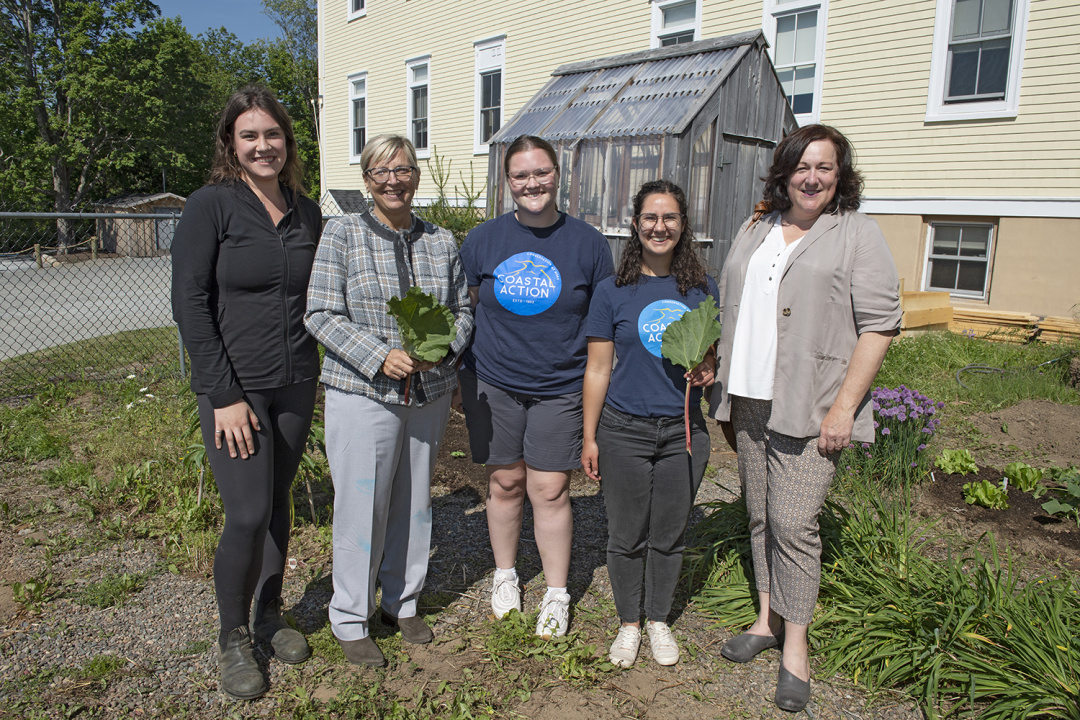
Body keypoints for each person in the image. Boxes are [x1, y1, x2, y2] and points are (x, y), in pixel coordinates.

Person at [710, 124, 901, 712]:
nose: (812, 177)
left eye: (825, 167)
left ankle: (797, 647)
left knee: (795, 525)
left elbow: (880, 323)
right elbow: (733, 304)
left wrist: (844, 408)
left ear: (840, 175)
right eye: (802, 166)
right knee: (762, 514)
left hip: (811, 402)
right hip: (750, 396)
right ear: (784, 172)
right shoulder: (757, 226)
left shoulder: (857, 234)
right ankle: (767, 620)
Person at [171, 86, 321, 700]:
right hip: (236, 387)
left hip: (297, 380)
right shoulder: (212, 206)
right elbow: (190, 303)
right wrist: (223, 392)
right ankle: (233, 635)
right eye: (250, 136)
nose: (264, 146)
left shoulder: (307, 211)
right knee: (248, 511)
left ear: (288, 140)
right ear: (231, 145)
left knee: (279, 499)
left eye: (273, 134)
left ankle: (269, 612)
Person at [304, 134, 473, 667]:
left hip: (427, 393)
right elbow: (320, 314)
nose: (393, 180)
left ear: (416, 176)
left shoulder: (441, 241)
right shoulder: (342, 235)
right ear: (366, 181)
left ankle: (401, 601)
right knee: (363, 503)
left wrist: (441, 351)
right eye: (381, 171)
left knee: (414, 502)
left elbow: (463, 312)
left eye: (402, 169)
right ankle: (350, 615)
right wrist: (379, 355)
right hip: (362, 391)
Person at [458, 135, 614, 638]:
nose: (532, 183)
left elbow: (602, 323)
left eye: (541, 172)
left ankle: (556, 592)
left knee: (549, 488)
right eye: (521, 176)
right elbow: (465, 303)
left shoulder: (587, 244)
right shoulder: (484, 239)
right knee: (504, 483)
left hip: (561, 385)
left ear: (557, 174)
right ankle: (505, 576)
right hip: (496, 380)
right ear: (508, 182)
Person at [581, 180, 718, 668]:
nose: (660, 227)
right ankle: (629, 624)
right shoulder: (612, 292)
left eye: (670, 218)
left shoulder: (702, 289)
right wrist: (591, 436)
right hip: (624, 429)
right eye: (650, 218)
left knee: (669, 533)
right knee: (625, 534)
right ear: (635, 225)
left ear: (683, 226)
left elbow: (710, 361)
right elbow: (597, 369)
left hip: (683, 432)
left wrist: (708, 370)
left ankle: (658, 619)